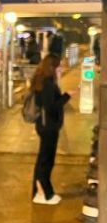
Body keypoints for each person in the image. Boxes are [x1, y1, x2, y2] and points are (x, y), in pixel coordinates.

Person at [31, 54, 71, 205]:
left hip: (45, 125)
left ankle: (39, 192)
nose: (61, 68)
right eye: (59, 66)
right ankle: (45, 193)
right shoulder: (47, 84)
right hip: (48, 126)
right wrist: (67, 96)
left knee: (44, 158)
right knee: (46, 160)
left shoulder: (43, 81)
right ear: (52, 67)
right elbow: (51, 106)